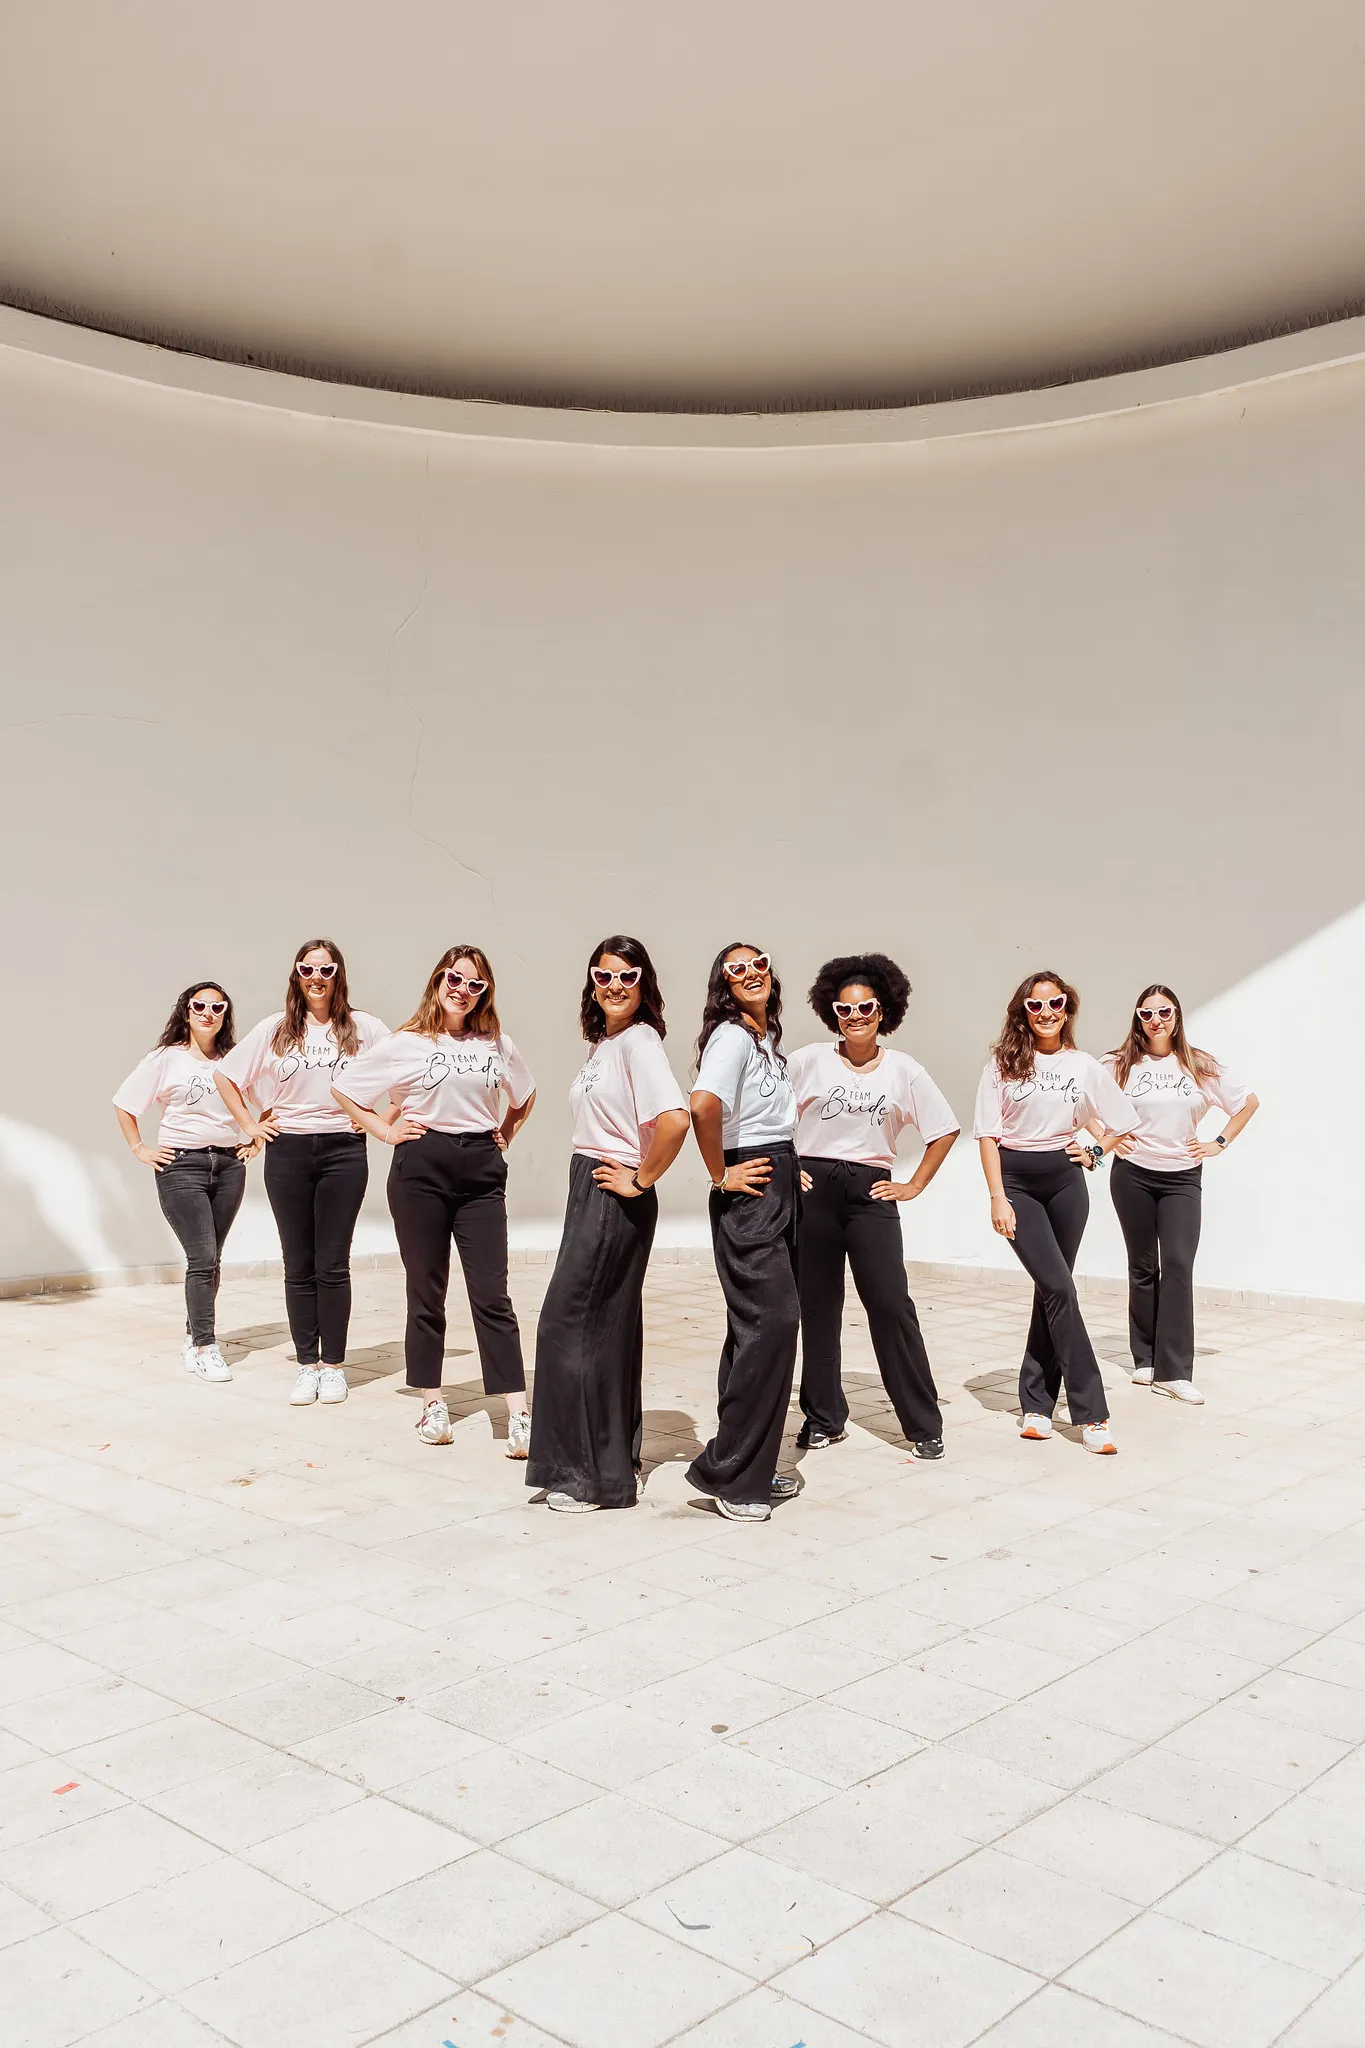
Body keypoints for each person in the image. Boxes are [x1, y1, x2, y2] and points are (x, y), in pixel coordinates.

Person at [333, 945, 536, 1452]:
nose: (462, 990)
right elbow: (346, 1089)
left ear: (485, 993)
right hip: (421, 1168)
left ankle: (518, 1411)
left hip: (481, 1171)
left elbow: (525, 1093)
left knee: (492, 1292)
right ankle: (431, 1402)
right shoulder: (406, 1042)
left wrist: (505, 1131)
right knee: (427, 1291)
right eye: (454, 978)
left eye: (475, 984)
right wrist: (384, 1131)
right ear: (437, 980)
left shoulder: (497, 1043)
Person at [526, 937, 691, 1512]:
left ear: (644, 982)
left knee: (567, 1327)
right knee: (605, 1331)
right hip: (589, 1187)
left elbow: (674, 1120)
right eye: (603, 976)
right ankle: (612, 1460)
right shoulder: (607, 1043)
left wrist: (641, 1180)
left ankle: (589, 1477)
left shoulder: (640, 1042)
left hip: (612, 1194)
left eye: (627, 975)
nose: (614, 986)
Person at [790, 953, 959, 1459]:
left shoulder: (905, 1070)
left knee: (890, 1305)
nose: (856, 1016)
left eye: (866, 1007)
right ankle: (823, 1417)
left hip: (870, 1194)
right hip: (812, 1191)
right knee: (817, 1309)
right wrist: (785, 1165)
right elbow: (769, 1117)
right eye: (845, 1009)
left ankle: (923, 1423)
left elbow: (944, 1129)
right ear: (831, 1013)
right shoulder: (806, 1061)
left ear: (884, 1010)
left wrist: (912, 1186)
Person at [215, 938, 388, 1406]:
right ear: (296, 974)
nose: (316, 978)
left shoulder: (364, 1027)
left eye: (326, 970)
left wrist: (379, 1120)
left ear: (339, 975)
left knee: (332, 1263)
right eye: (307, 970)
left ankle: (334, 1367)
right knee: (298, 1263)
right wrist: (251, 1123)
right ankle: (306, 1365)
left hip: (343, 1152)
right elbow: (227, 1076)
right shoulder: (275, 1029)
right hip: (288, 1151)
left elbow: (405, 1070)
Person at [974, 970, 1139, 1454]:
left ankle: (1037, 1404)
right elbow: (987, 1135)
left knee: (1052, 1291)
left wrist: (1095, 1152)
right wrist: (997, 1196)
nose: (1047, 1012)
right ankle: (1092, 1413)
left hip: (1067, 1186)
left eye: (1056, 1003)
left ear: (1068, 1008)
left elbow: (1124, 1119)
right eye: (1036, 1004)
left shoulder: (1084, 1065)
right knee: (1060, 1288)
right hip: (1018, 1184)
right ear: (1022, 1011)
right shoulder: (1001, 1064)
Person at [686, 943, 802, 1523]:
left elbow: (764, 1117)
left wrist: (788, 1162)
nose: (752, 973)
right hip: (748, 1189)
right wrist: (719, 1172)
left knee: (754, 1330)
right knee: (772, 1322)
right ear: (723, 984)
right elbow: (703, 1106)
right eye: (738, 969)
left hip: (776, 1175)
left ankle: (747, 1459)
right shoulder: (732, 1035)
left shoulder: (764, 1040)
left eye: (760, 963)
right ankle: (732, 1473)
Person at [1104, 985, 1258, 1405]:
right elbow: (1082, 1100)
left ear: (1177, 1015)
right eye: (1147, 1013)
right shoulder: (1119, 1063)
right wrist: (1105, 1141)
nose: (1156, 1020)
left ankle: (1174, 1372)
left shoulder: (1199, 1064)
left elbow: (1247, 1103)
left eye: (1164, 1012)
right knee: (1141, 1265)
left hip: (1182, 1178)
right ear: (1138, 1017)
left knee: (1177, 1265)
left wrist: (1218, 1142)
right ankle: (1145, 1359)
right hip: (1132, 1175)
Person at [114, 981, 260, 1383]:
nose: (208, 1013)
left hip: (229, 1167)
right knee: (203, 1258)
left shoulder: (235, 1060)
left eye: (218, 1007)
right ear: (186, 1011)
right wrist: (140, 1148)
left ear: (226, 1014)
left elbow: (264, 1104)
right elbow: (125, 1104)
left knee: (213, 1258)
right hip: (181, 1167)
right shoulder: (165, 1059)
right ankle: (204, 1347)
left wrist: (255, 1140)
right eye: (200, 1006)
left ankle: (193, 1333)